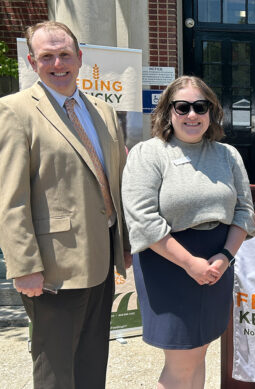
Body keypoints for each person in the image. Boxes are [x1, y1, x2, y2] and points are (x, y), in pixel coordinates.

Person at [0, 21, 132, 388]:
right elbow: (9, 198)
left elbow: (113, 180)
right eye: (47, 57)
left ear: (79, 57)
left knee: (92, 361)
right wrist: (24, 265)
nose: (58, 64)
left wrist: (123, 244)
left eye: (64, 54)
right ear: (31, 61)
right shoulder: (14, 111)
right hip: (52, 267)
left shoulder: (102, 112)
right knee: (55, 369)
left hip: (101, 260)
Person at [121, 75, 255, 388]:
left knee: (200, 353)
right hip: (168, 264)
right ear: (168, 112)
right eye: (182, 107)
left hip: (218, 262)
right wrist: (189, 263)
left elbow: (244, 212)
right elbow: (143, 219)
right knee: (181, 363)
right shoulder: (149, 153)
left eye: (200, 106)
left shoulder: (228, 155)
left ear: (212, 111)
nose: (192, 115)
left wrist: (224, 256)